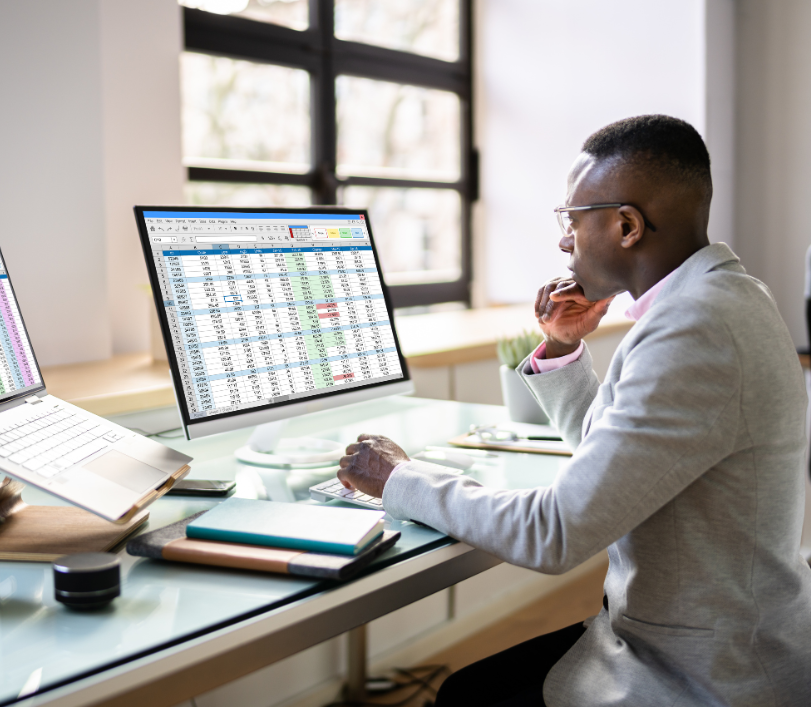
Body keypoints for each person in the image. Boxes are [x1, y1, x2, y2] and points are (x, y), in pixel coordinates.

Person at [338, 115, 811, 707]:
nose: (563, 240)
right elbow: (620, 461)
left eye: (571, 219)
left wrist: (398, 479)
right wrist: (562, 348)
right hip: (712, 637)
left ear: (626, 225)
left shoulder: (696, 329)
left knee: (466, 693)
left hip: (708, 674)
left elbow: (555, 533)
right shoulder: (722, 297)